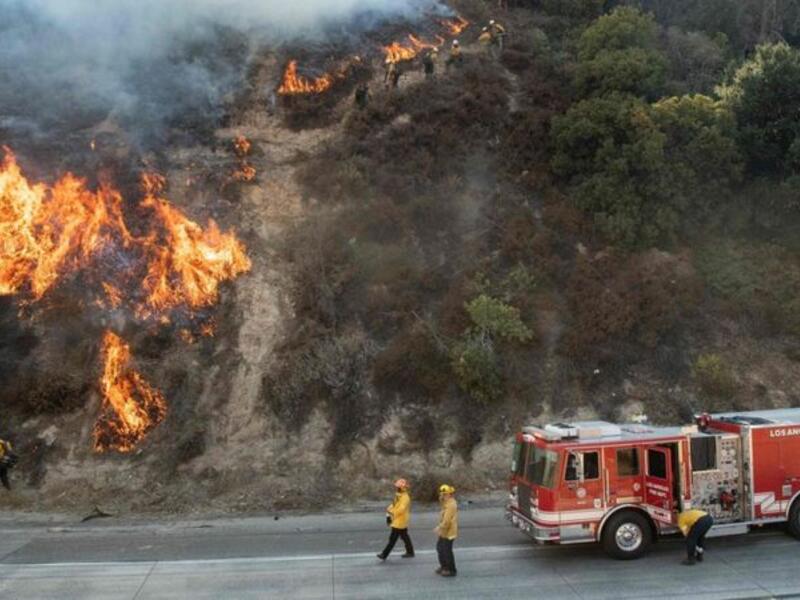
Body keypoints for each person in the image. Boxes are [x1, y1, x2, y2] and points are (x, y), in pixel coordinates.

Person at [377, 479, 414, 560]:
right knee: (404, 536)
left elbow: (401, 509)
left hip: (400, 521)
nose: (396, 488)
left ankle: (384, 554)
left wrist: (392, 515)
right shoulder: (399, 495)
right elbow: (393, 505)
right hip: (398, 520)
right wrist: (388, 513)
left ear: (402, 488)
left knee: (392, 539)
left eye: (398, 487)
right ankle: (410, 552)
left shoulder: (405, 497)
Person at [435, 484, 458, 577]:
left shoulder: (451, 505)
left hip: (449, 532)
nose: (442, 496)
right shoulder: (446, 503)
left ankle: (451, 570)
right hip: (444, 531)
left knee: (446, 550)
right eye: (442, 494)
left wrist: (439, 527)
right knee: (440, 548)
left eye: (445, 494)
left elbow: (447, 521)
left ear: (450, 494)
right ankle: (444, 566)